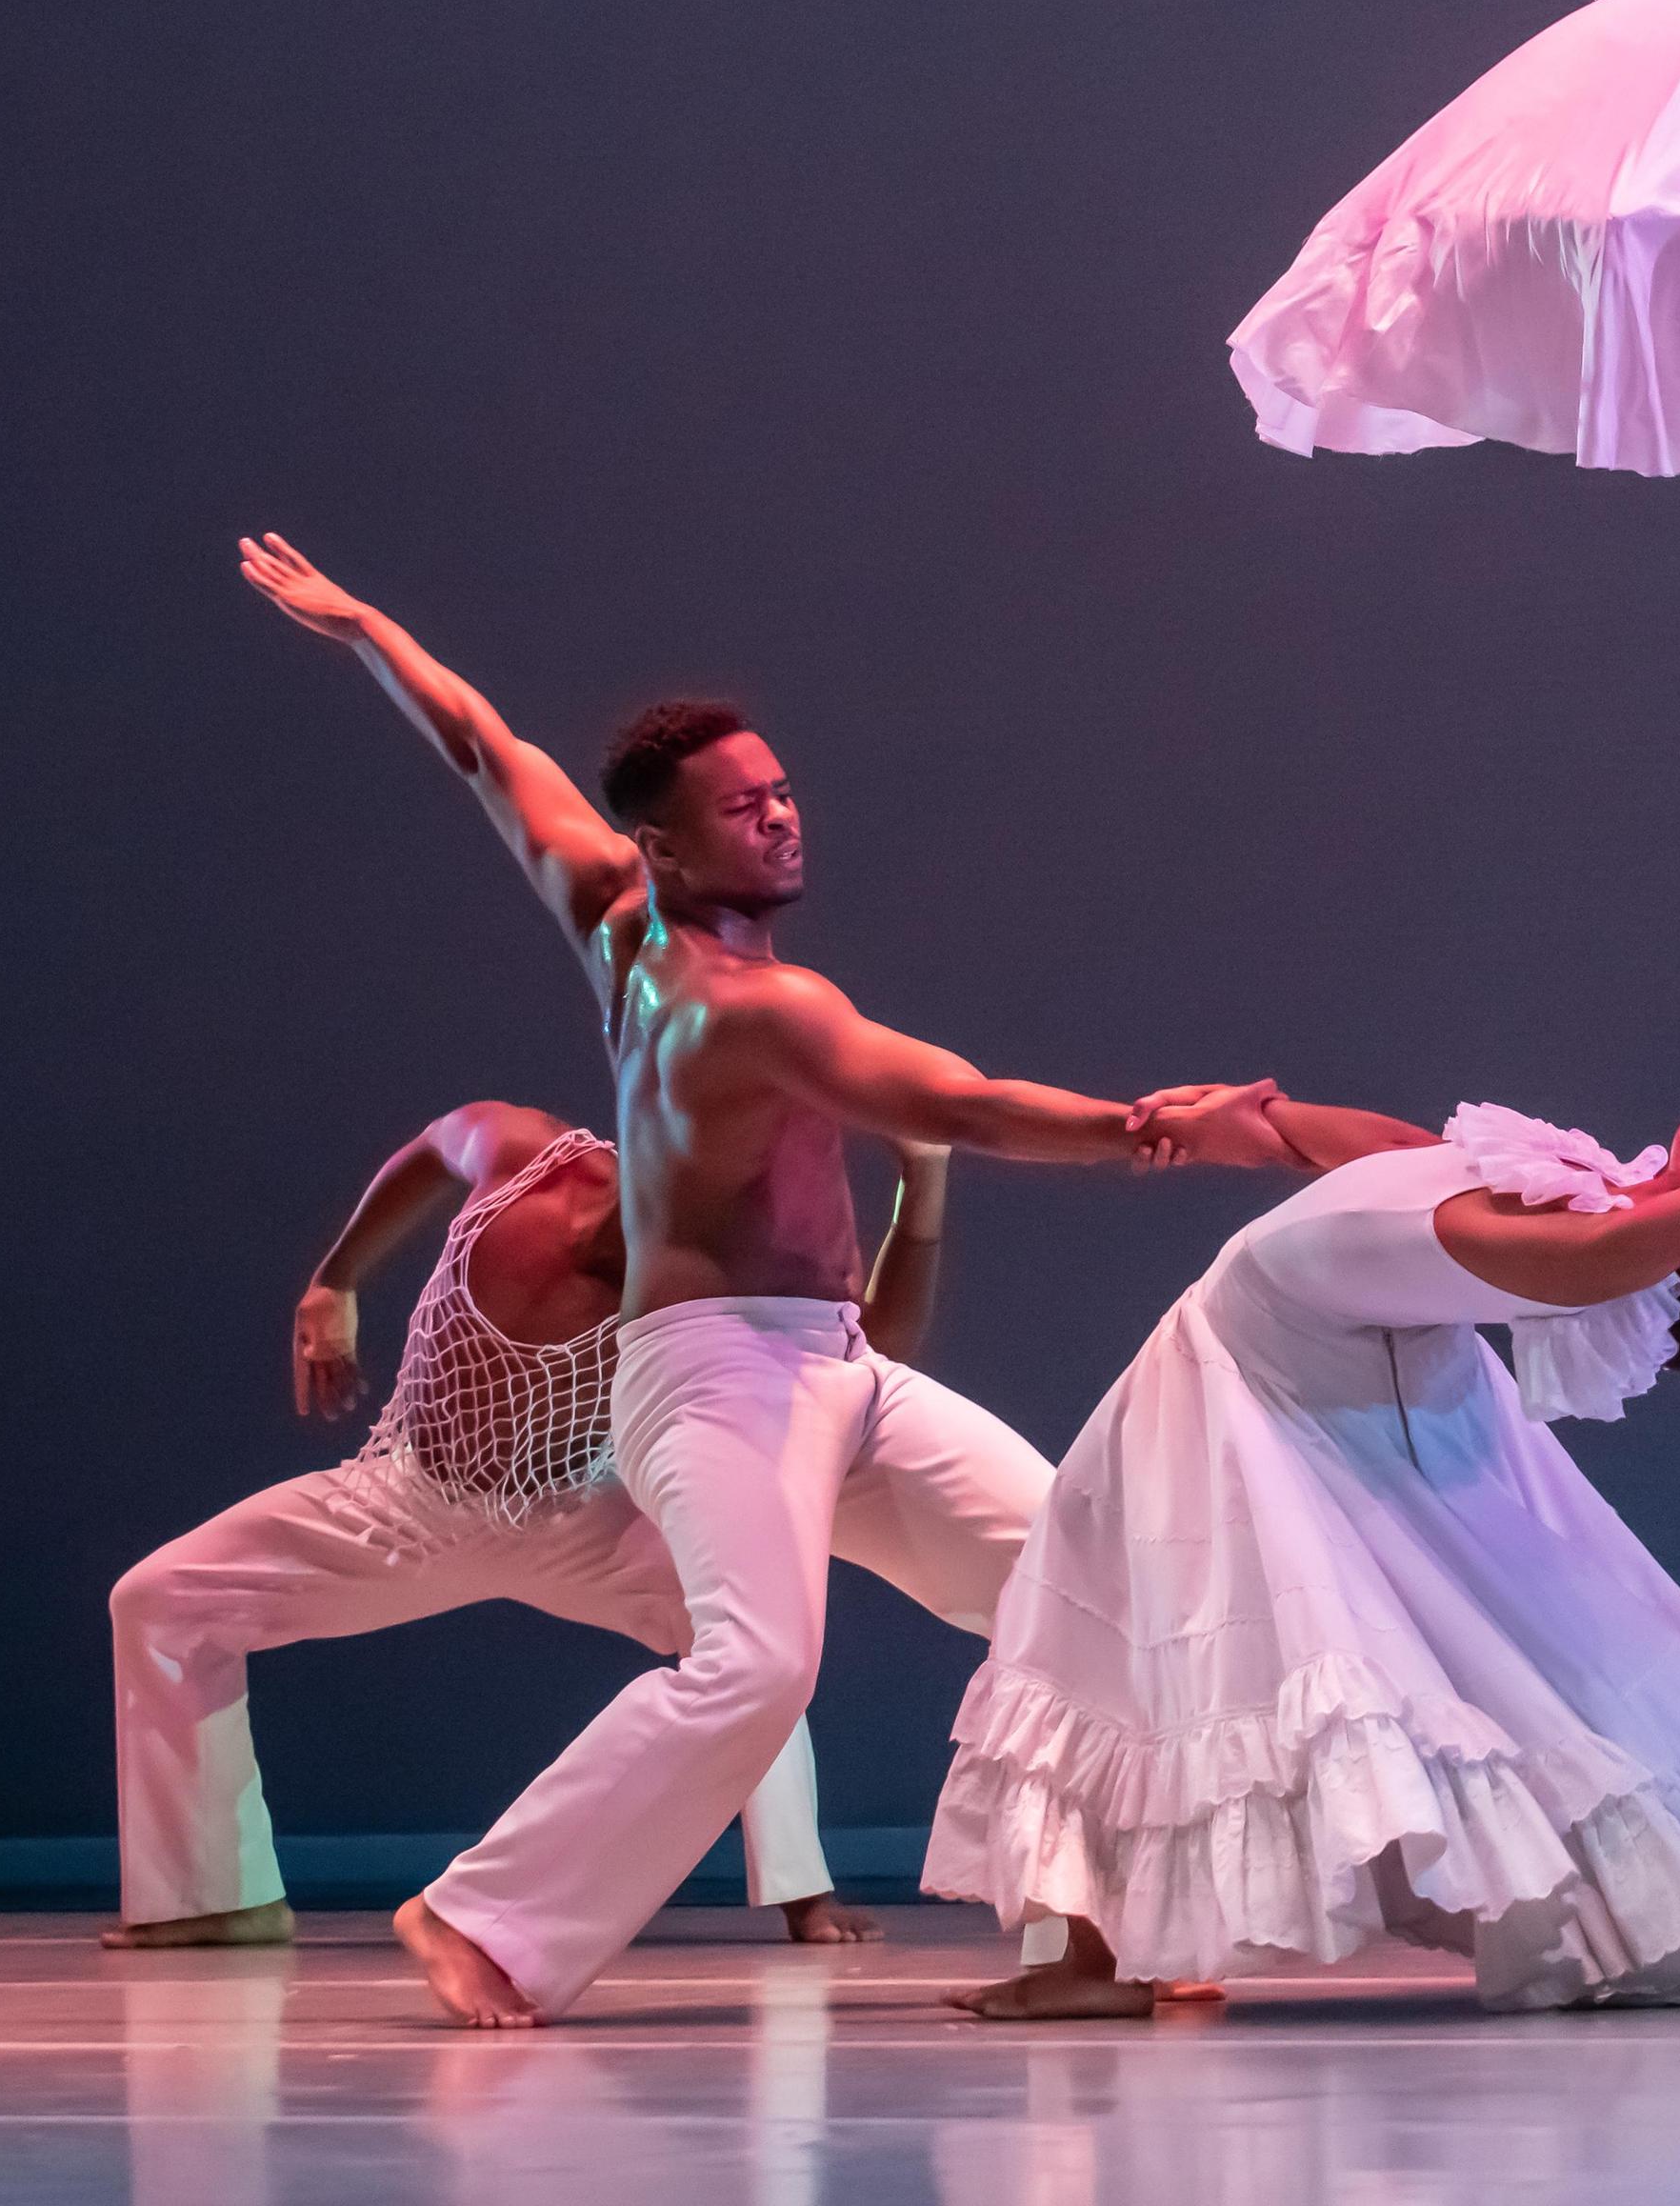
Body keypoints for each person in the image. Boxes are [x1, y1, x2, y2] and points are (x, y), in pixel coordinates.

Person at [238, 533, 1277, 2026]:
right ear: (667, 844)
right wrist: (1143, 1130)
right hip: (715, 1372)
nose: (784, 818)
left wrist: (366, 629)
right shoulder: (759, 1009)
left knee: (1073, 1576)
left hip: (830, 1364)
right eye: (745, 808)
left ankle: (1093, 1930)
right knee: (757, 1661)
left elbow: (481, 741)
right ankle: (483, 1918)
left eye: (784, 791)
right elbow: (964, 1103)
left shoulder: (614, 917)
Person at [922, 1061, 1680, 2017]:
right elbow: (1392, 1161)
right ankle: (1102, 1949)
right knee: (1110, 1640)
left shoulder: (1573, 1251)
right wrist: (1253, 1120)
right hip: (1258, 1381)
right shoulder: (1558, 1181)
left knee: (1125, 1638)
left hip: (1253, 1398)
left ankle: (1101, 1953)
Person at [106, 1105, 953, 1950]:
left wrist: (921, 1186)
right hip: (407, 1503)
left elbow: (874, 1348)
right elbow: (431, 1149)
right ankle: (213, 1898)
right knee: (159, 1603)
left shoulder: (713, 1273)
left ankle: (803, 1891)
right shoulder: (519, 1154)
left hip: (581, 1518)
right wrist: (338, 1278)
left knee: (747, 1629)